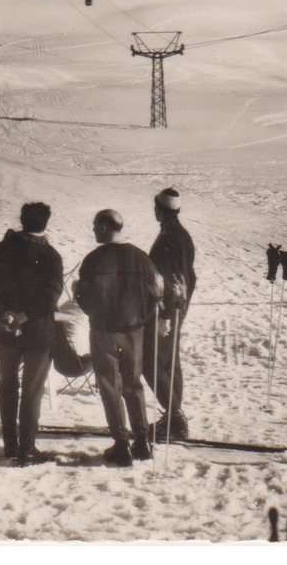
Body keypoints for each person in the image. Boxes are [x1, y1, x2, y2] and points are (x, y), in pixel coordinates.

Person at [0, 202, 63, 465]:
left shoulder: (2, 249)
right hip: (37, 330)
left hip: (6, 330)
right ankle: (27, 449)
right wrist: (24, 316)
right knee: (32, 390)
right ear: (45, 224)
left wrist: (3, 315)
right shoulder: (51, 256)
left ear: (22, 220)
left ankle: (10, 446)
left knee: (7, 383)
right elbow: (51, 296)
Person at [75, 209, 163, 466]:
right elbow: (155, 295)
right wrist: (140, 320)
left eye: (94, 226)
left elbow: (85, 298)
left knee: (109, 386)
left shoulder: (93, 260)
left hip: (103, 331)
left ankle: (121, 444)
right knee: (133, 384)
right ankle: (143, 441)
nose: (92, 230)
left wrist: (88, 307)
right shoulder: (141, 258)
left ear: (103, 227)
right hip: (134, 332)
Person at [142, 188, 196, 442]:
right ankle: (173, 419)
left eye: (156, 208)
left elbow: (173, 279)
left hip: (167, 309)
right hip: (176, 307)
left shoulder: (171, 238)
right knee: (169, 363)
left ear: (161, 210)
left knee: (152, 362)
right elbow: (190, 277)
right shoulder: (178, 234)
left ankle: (175, 419)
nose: (154, 211)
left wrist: (166, 313)